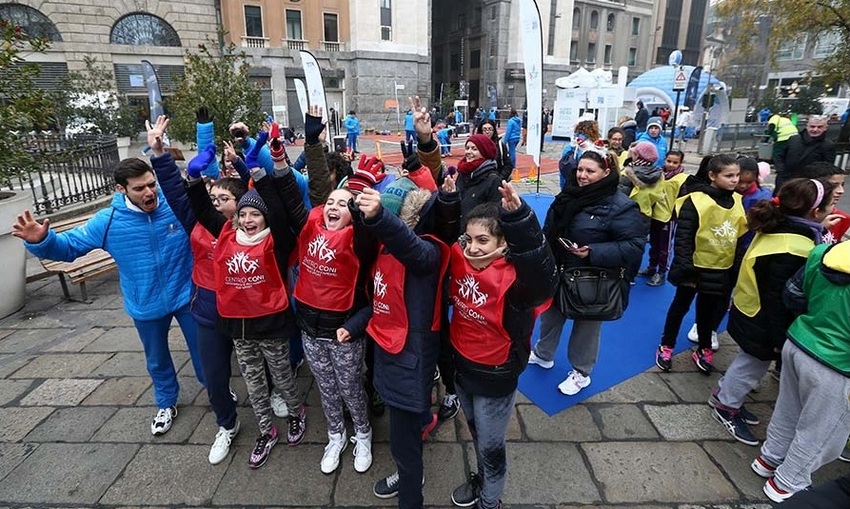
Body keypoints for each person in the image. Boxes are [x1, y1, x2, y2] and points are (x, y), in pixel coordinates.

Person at [13, 154, 204, 437]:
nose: (149, 192)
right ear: (121, 189)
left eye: (151, 185)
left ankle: (217, 389)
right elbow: (70, 247)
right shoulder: (109, 220)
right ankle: (166, 403)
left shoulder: (173, 205)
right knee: (157, 359)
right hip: (145, 302)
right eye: (139, 188)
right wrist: (42, 241)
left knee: (205, 351)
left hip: (187, 294)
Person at [186, 132, 307, 469]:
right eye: (243, 215)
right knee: (254, 383)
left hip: (270, 321)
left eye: (256, 216)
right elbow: (200, 209)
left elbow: (281, 212)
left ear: (265, 219)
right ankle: (266, 431)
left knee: (281, 376)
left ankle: (296, 410)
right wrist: (194, 179)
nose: (249, 220)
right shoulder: (225, 234)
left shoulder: (276, 242)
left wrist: (255, 172)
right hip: (237, 325)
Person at [146, 114, 246, 464]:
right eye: (213, 197)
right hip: (207, 307)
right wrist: (159, 155)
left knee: (261, 369)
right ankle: (227, 424)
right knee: (214, 375)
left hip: (248, 310)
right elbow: (178, 194)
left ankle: (273, 410)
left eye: (224, 198)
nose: (217, 202)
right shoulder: (198, 222)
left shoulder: (252, 227)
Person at [448, 191, 557, 509]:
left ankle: (490, 500)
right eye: (468, 239)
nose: (472, 248)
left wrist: (520, 219)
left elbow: (543, 278)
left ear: (504, 244)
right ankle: (482, 481)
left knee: (492, 445)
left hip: (496, 374)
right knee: (476, 435)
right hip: (462, 365)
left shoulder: (517, 281)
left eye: (483, 240)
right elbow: (442, 233)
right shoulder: (461, 259)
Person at [709, 178, 835, 447]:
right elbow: (778, 300)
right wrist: (780, 341)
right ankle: (725, 405)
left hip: (751, 310)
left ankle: (726, 394)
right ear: (815, 211)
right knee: (752, 364)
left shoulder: (781, 226)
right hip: (763, 319)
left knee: (748, 361)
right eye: (830, 203)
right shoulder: (793, 247)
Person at [355, 177, 454, 508]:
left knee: (404, 447)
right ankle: (412, 465)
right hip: (393, 357)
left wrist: (381, 217)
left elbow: (408, 245)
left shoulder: (426, 252)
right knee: (409, 434)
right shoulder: (387, 249)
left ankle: (411, 497)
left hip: (409, 364)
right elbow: (381, 300)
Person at [527, 150, 646, 396]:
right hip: (559, 268)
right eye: (580, 169)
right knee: (551, 314)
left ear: (606, 173)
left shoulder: (621, 206)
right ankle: (543, 354)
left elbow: (634, 246)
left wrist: (593, 252)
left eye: (590, 171)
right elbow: (550, 228)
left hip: (594, 278)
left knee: (587, 326)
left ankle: (581, 372)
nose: (582, 175)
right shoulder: (568, 195)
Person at [751, 234, 850, 502]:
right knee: (822, 431)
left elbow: (792, 293)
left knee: (788, 409)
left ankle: (769, 459)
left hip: (798, 343)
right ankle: (787, 482)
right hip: (838, 365)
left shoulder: (822, 253)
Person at [655, 155, 746, 374]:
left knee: (707, 312)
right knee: (680, 307)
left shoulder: (738, 201)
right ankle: (667, 345)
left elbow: (739, 238)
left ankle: (704, 347)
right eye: (729, 175)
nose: (735, 180)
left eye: (737, 175)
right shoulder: (695, 200)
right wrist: (687, 269)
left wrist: (735, 268)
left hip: (720, 269)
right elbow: (684, 238)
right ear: (712, 176)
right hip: (694, 269)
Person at [775, 115, 835, 191]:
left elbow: (827, 167)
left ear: (825, 128)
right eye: (812, 126)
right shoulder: (794, 139)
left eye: (819, 127)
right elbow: (779, 155)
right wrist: (781, 171)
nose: (815, 129)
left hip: (808, 184)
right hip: (785, 180)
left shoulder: (828, 145)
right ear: (807, 126)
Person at [799, 161, 849, 243]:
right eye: (833, 185)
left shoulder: (841, 218)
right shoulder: (790, 211)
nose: (841, 191)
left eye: (842, 185)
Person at [766, 110, 798, 175]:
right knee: (788, 154)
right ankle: (789, 169)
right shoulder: (785, 119)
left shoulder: (774, 118)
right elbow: (775, 132)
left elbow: (771, 127)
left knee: (777, 154)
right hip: (795, 138)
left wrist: (765, 139)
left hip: (784, 138)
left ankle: (780, 170)